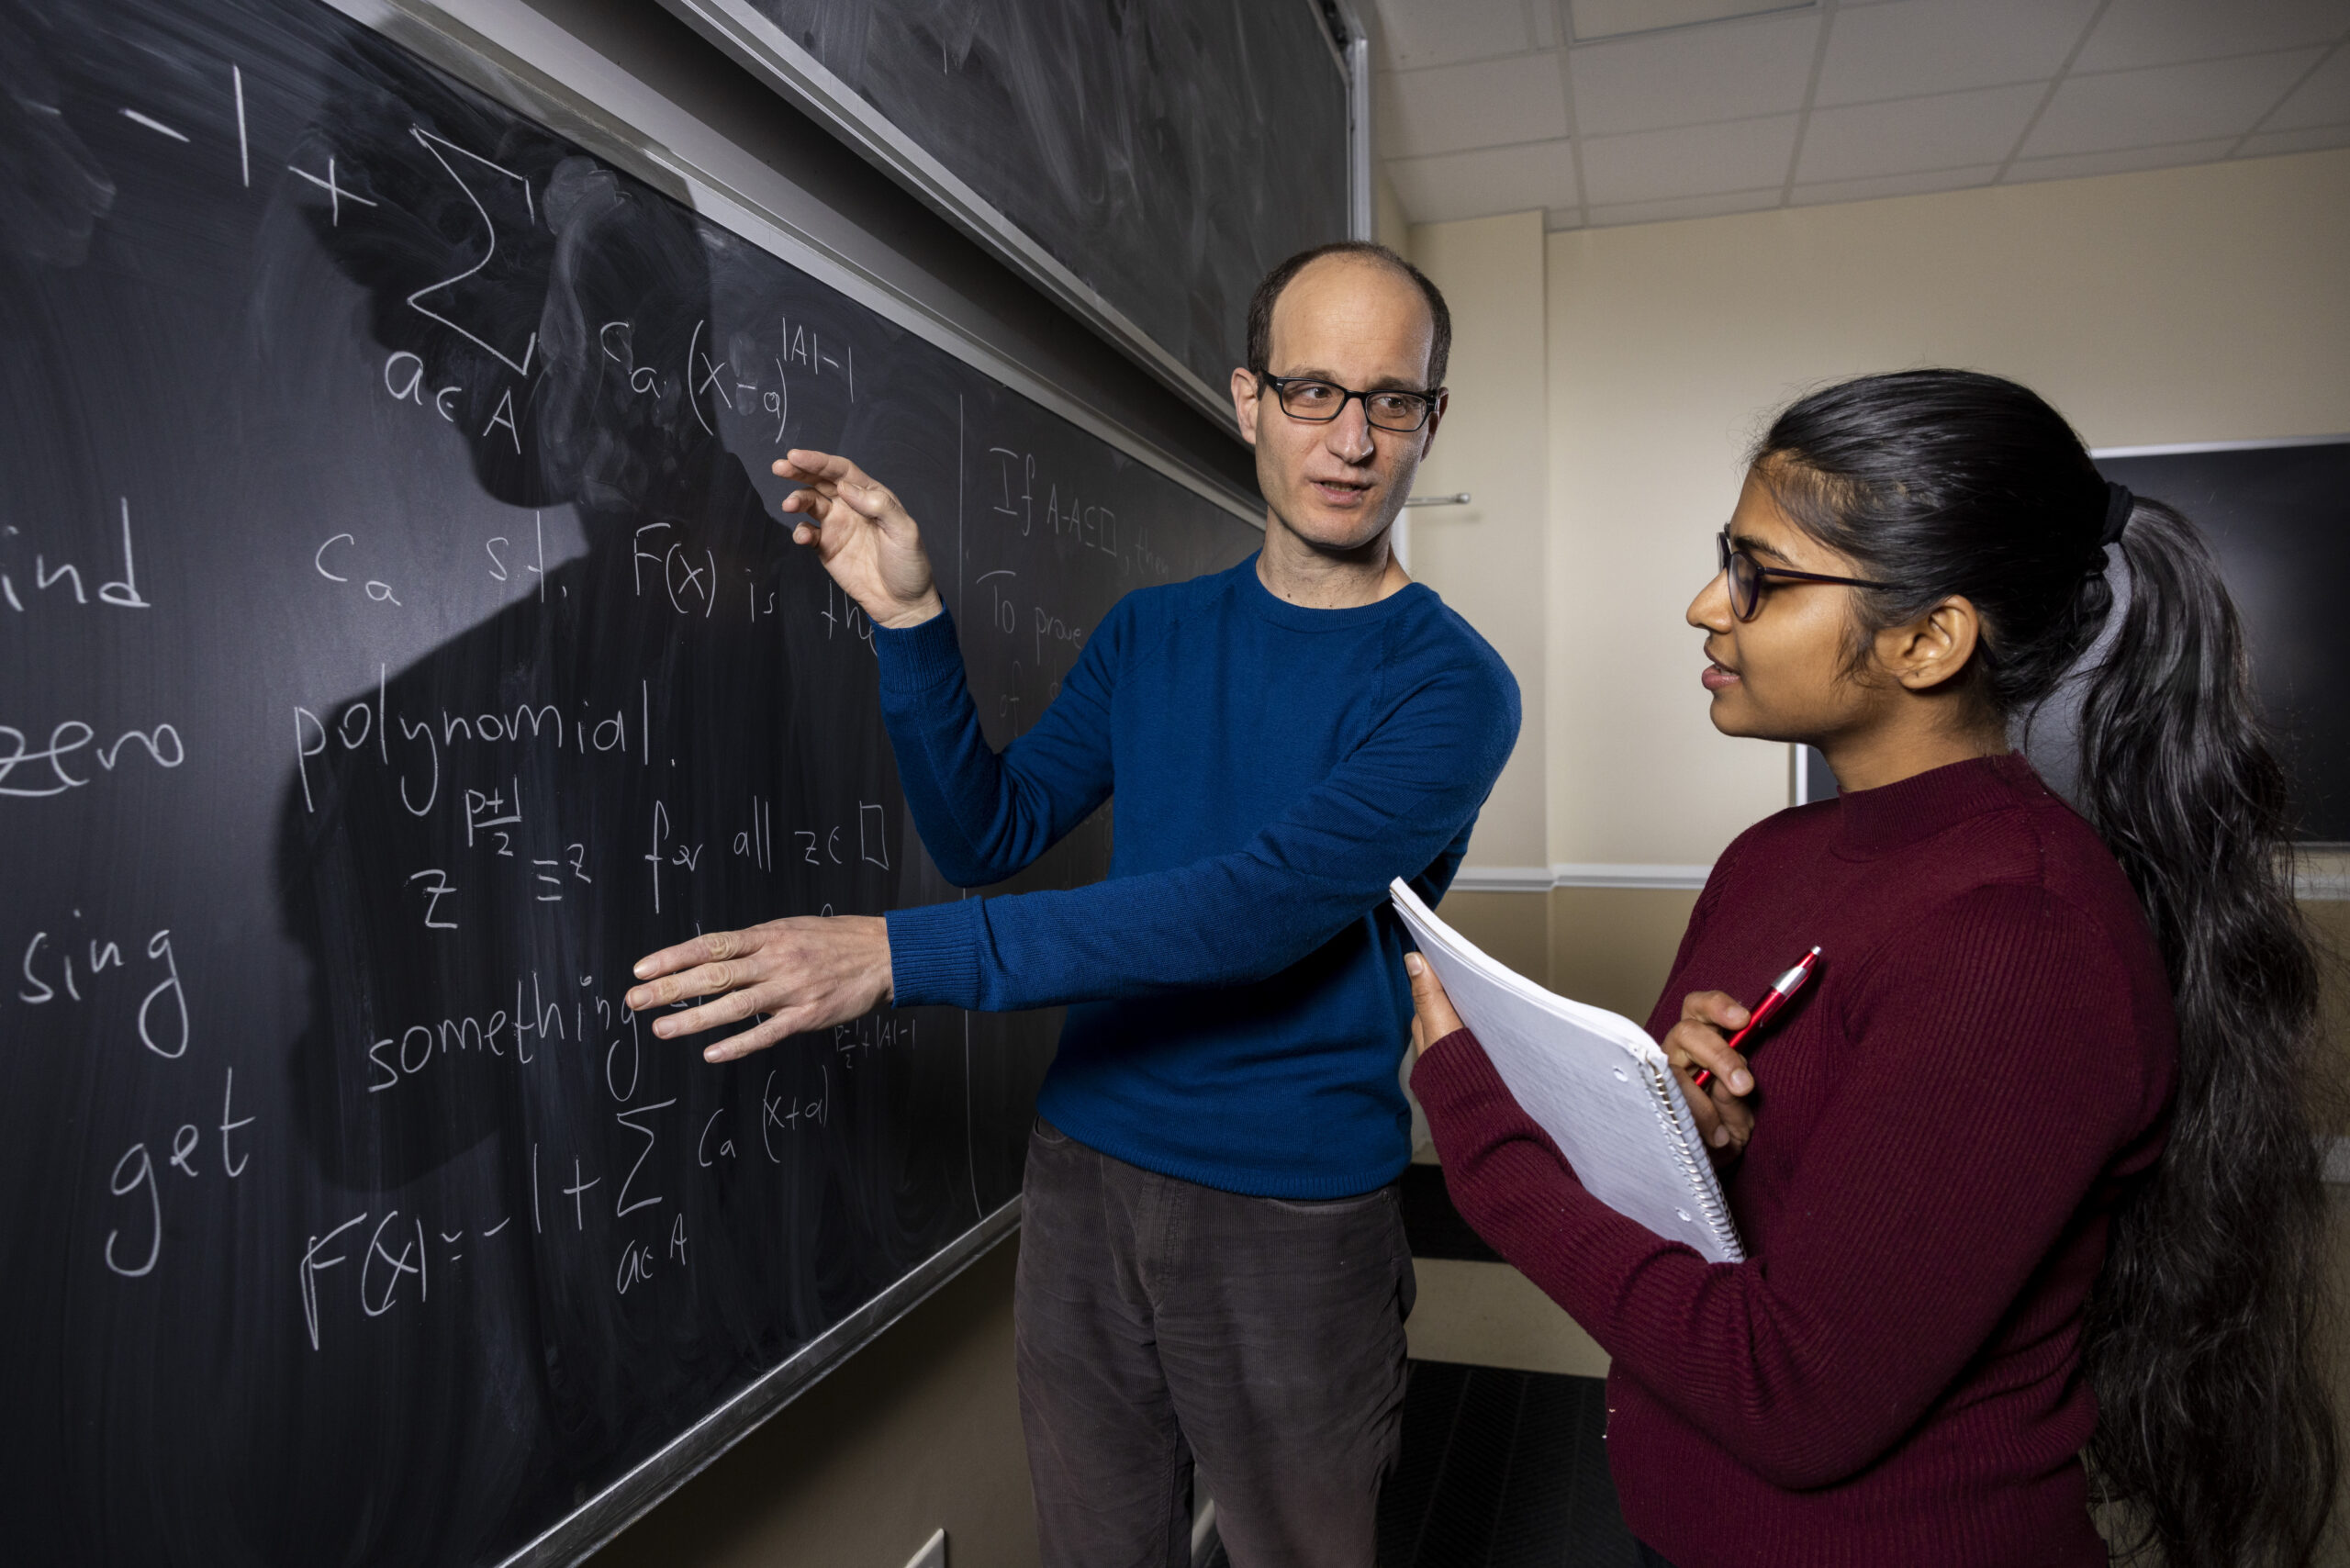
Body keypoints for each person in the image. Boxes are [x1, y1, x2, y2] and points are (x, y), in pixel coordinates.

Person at [624, 241, 1520, 1565]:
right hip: (1086, 1172)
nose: (1350, 438)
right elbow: (989, 833)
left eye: (1391, 401)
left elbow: (1251, 912)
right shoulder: (1152, 633)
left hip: (1290, 1214)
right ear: (1248, 399)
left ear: (1430, 421)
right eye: (1313, 390)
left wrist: (895, 955)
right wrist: (913, 624)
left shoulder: (1451, 686)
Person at [1404, 370, 2336, 1568]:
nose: (1707, 604)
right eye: (1722, 558)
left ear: (1929, 637)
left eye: (1762, 576)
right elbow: (1740, 1227)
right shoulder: (1770, 855)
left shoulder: (2024, 938)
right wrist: (1675, 1124)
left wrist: (1476, 1123)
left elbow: (1793, 1392)